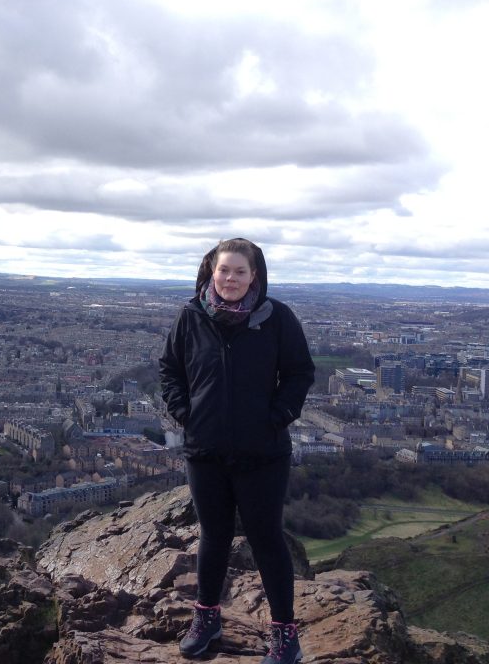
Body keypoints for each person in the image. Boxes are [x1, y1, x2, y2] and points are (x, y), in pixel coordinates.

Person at [159, 238, 315, 664]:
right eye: (223, 270)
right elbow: (170, 369)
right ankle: (207, 618)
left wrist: (279, 414)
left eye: (239, 272)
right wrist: (184, 413)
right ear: (211, 272)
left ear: (255, 277)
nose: (230, 279)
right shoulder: (191, 316)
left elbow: (300, 372)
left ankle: (285, 635)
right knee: (213, 535)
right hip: (205, 449)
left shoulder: (276, 317)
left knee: (267, 539)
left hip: (262, 451)